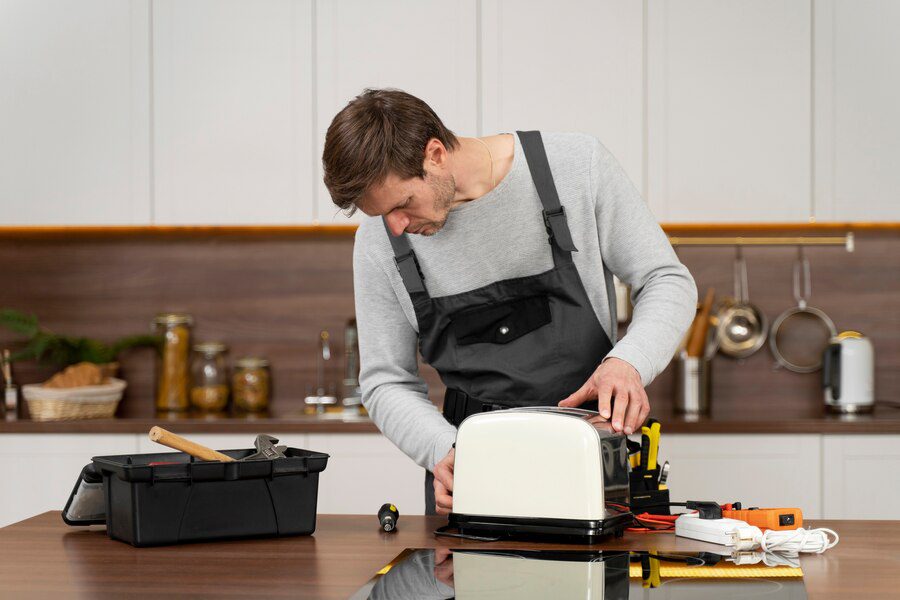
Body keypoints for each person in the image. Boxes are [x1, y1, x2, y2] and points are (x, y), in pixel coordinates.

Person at [322, 88, 697, 515]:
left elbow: (667, 280)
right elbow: (385, 380)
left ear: (436, 154)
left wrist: (629, 361)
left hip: (589, 457)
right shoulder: (379, 241)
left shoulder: (574, 167)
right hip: (472, 471)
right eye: (381, 214)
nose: (397, 225)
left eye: (403, 204)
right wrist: (444, 451)